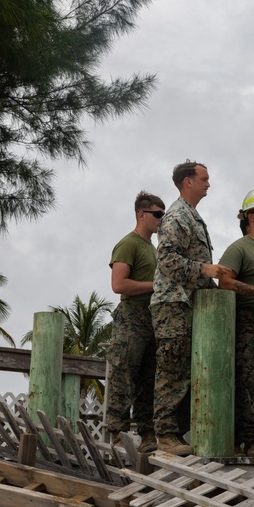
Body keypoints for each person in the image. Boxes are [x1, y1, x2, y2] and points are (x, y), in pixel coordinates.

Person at [151, 161, 233, 456]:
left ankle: (176, 433)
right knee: (172, 370)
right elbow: (167, 262)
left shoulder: (192, 216)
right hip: (173, 304)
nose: (208, 183)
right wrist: (204, 269)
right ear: (188, 182)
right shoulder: (177, 216)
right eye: (204, 178)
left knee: (185, 369)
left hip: (187, 303)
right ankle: (166, 435)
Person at [105, 191, 165, 453]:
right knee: (124, 375)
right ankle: (116, 434)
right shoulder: (128, 244)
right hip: (132, 317)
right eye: (157, 214)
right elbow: (118, 284)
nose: (161, 219)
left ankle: (147, 435)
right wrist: (156, 286)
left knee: (148, 379)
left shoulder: (152, 247)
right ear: (142, 214)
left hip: (152, 318)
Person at [218, 189, 254, 458]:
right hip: (249, 321)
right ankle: (251, 440)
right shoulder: (239, 248)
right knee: (250, 381)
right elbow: (224, 282)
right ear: (251, 216)